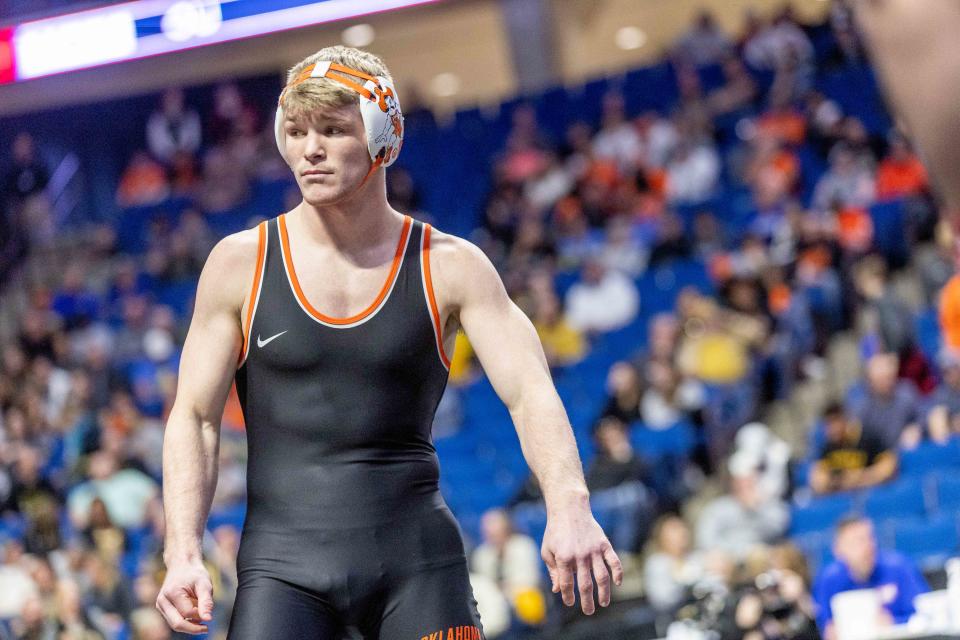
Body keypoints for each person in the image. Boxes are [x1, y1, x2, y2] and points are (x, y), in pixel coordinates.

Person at [157, 46, 622, 639]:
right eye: (296, 131)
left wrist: (569, 506)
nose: (310, 149)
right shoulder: (240, 264)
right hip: (283, 574)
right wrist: (182, 551)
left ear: (383, 139)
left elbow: (530, 391)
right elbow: (194, 416)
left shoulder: (451, 266)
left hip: (418, 570)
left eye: (332, 130)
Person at [813, 516, 928, 638]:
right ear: (838, 550)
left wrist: (894, 623)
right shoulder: (828, 580)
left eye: (870, 538)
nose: (868, 546)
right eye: (858, 541)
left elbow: (924, 614)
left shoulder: (898, 567)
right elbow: (825, 626)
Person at [809, 403, 897, 495]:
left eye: (834, 422)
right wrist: (841, 481)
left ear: (845, 420)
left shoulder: (868, 438)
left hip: (872, 495)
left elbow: (889, 467)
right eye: (827, 424)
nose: (831, 429)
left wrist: (862, 477)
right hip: (842, 499)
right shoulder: (829, 446)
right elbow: (817, 481)